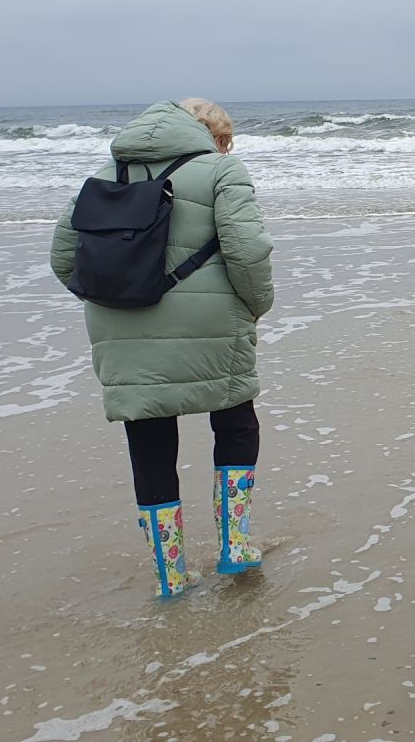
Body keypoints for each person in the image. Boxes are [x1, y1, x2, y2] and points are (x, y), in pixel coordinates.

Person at [50, 99, 275, 598]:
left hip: (122, 322)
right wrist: (257, 306)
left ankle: (170, 575)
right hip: (211, 320)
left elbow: (63, 258)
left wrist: (111, 300)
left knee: (149, 441)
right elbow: (247, 250)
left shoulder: (107, 173)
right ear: (215, 137)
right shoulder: (222, 170)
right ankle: (235, 550)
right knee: (235, 420)